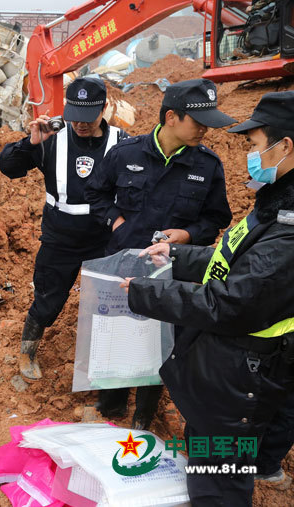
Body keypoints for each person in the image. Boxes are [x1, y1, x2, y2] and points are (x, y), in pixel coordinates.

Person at [122, 90, 294, 505]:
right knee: (211, 453)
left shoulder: (289, 230)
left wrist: (148, 293)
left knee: (219, 480)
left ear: (285, 146)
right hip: (232, 367)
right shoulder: (276, 206)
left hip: (245, 371)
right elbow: (231, 258)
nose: (250, 155)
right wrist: (176, 254)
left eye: (255, 145)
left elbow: (229, 303)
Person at [85, 78, 235, 430]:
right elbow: (96, 193)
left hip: (172, 272)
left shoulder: (207, 166)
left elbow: (217, 217)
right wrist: (117, 223)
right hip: (122, 265)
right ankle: (111, 407)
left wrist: (186, 234)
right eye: (198, 123)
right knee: (116, 336)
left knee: (161, 343)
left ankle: (144, 415)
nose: (205, 130)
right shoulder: (125, 154)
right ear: (171, 117)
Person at [0, 76, 128, 380]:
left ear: (104, 108)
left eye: (88, 118)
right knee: (48, 297)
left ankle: (107, 356)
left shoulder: (122, 143)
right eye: (74, 117)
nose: (80, 125)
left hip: (103, 238)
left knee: (107, 300)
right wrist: (30, 142)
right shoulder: (51, 137)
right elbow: (8, 168)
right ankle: (27, 349)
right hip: (61, 237)